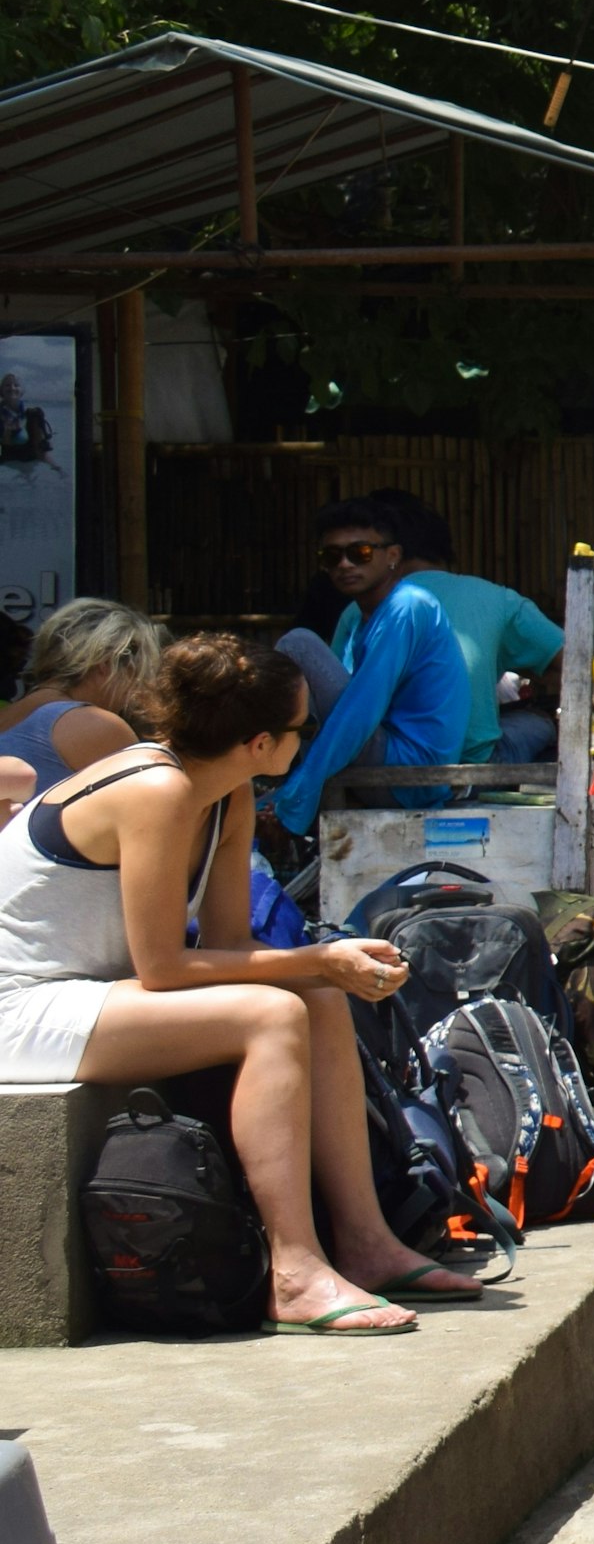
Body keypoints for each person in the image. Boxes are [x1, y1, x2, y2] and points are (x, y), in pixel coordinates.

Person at [0, 635, 477, 1331]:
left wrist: (328, 963)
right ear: (260, 742)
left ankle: (368, 1243)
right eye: (300, 730)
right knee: (271, 1014)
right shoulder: (156, 789)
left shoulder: (224, 794)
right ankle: (294, 1272)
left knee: (313, 997)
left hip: (87, 992)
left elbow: (228, 944)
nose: (304, 741)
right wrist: (317, 959)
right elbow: (163, 968)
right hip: (21, 1006)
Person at [269, 499, 469, 836]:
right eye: (332, 557)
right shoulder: (362, 617)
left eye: (359, 553)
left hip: (407, 774)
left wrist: (295, 799)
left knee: (298, 644)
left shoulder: (407, 606)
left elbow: (358, 713)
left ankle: (276, 777)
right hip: (387, 761)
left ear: (392, 556)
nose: (344, 564)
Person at [339, 503, 561, 766]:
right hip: (465, 764)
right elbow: (576, 663)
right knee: (540, 721)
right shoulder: (496, 600)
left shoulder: (359, 611)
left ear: (392, 555)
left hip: (390, 760)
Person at [0, 599, 162, 803]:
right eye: (137, 672)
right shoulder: (96, 726)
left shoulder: (9, 714)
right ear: (106, 663)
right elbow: (151, 813)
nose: (136, 690)